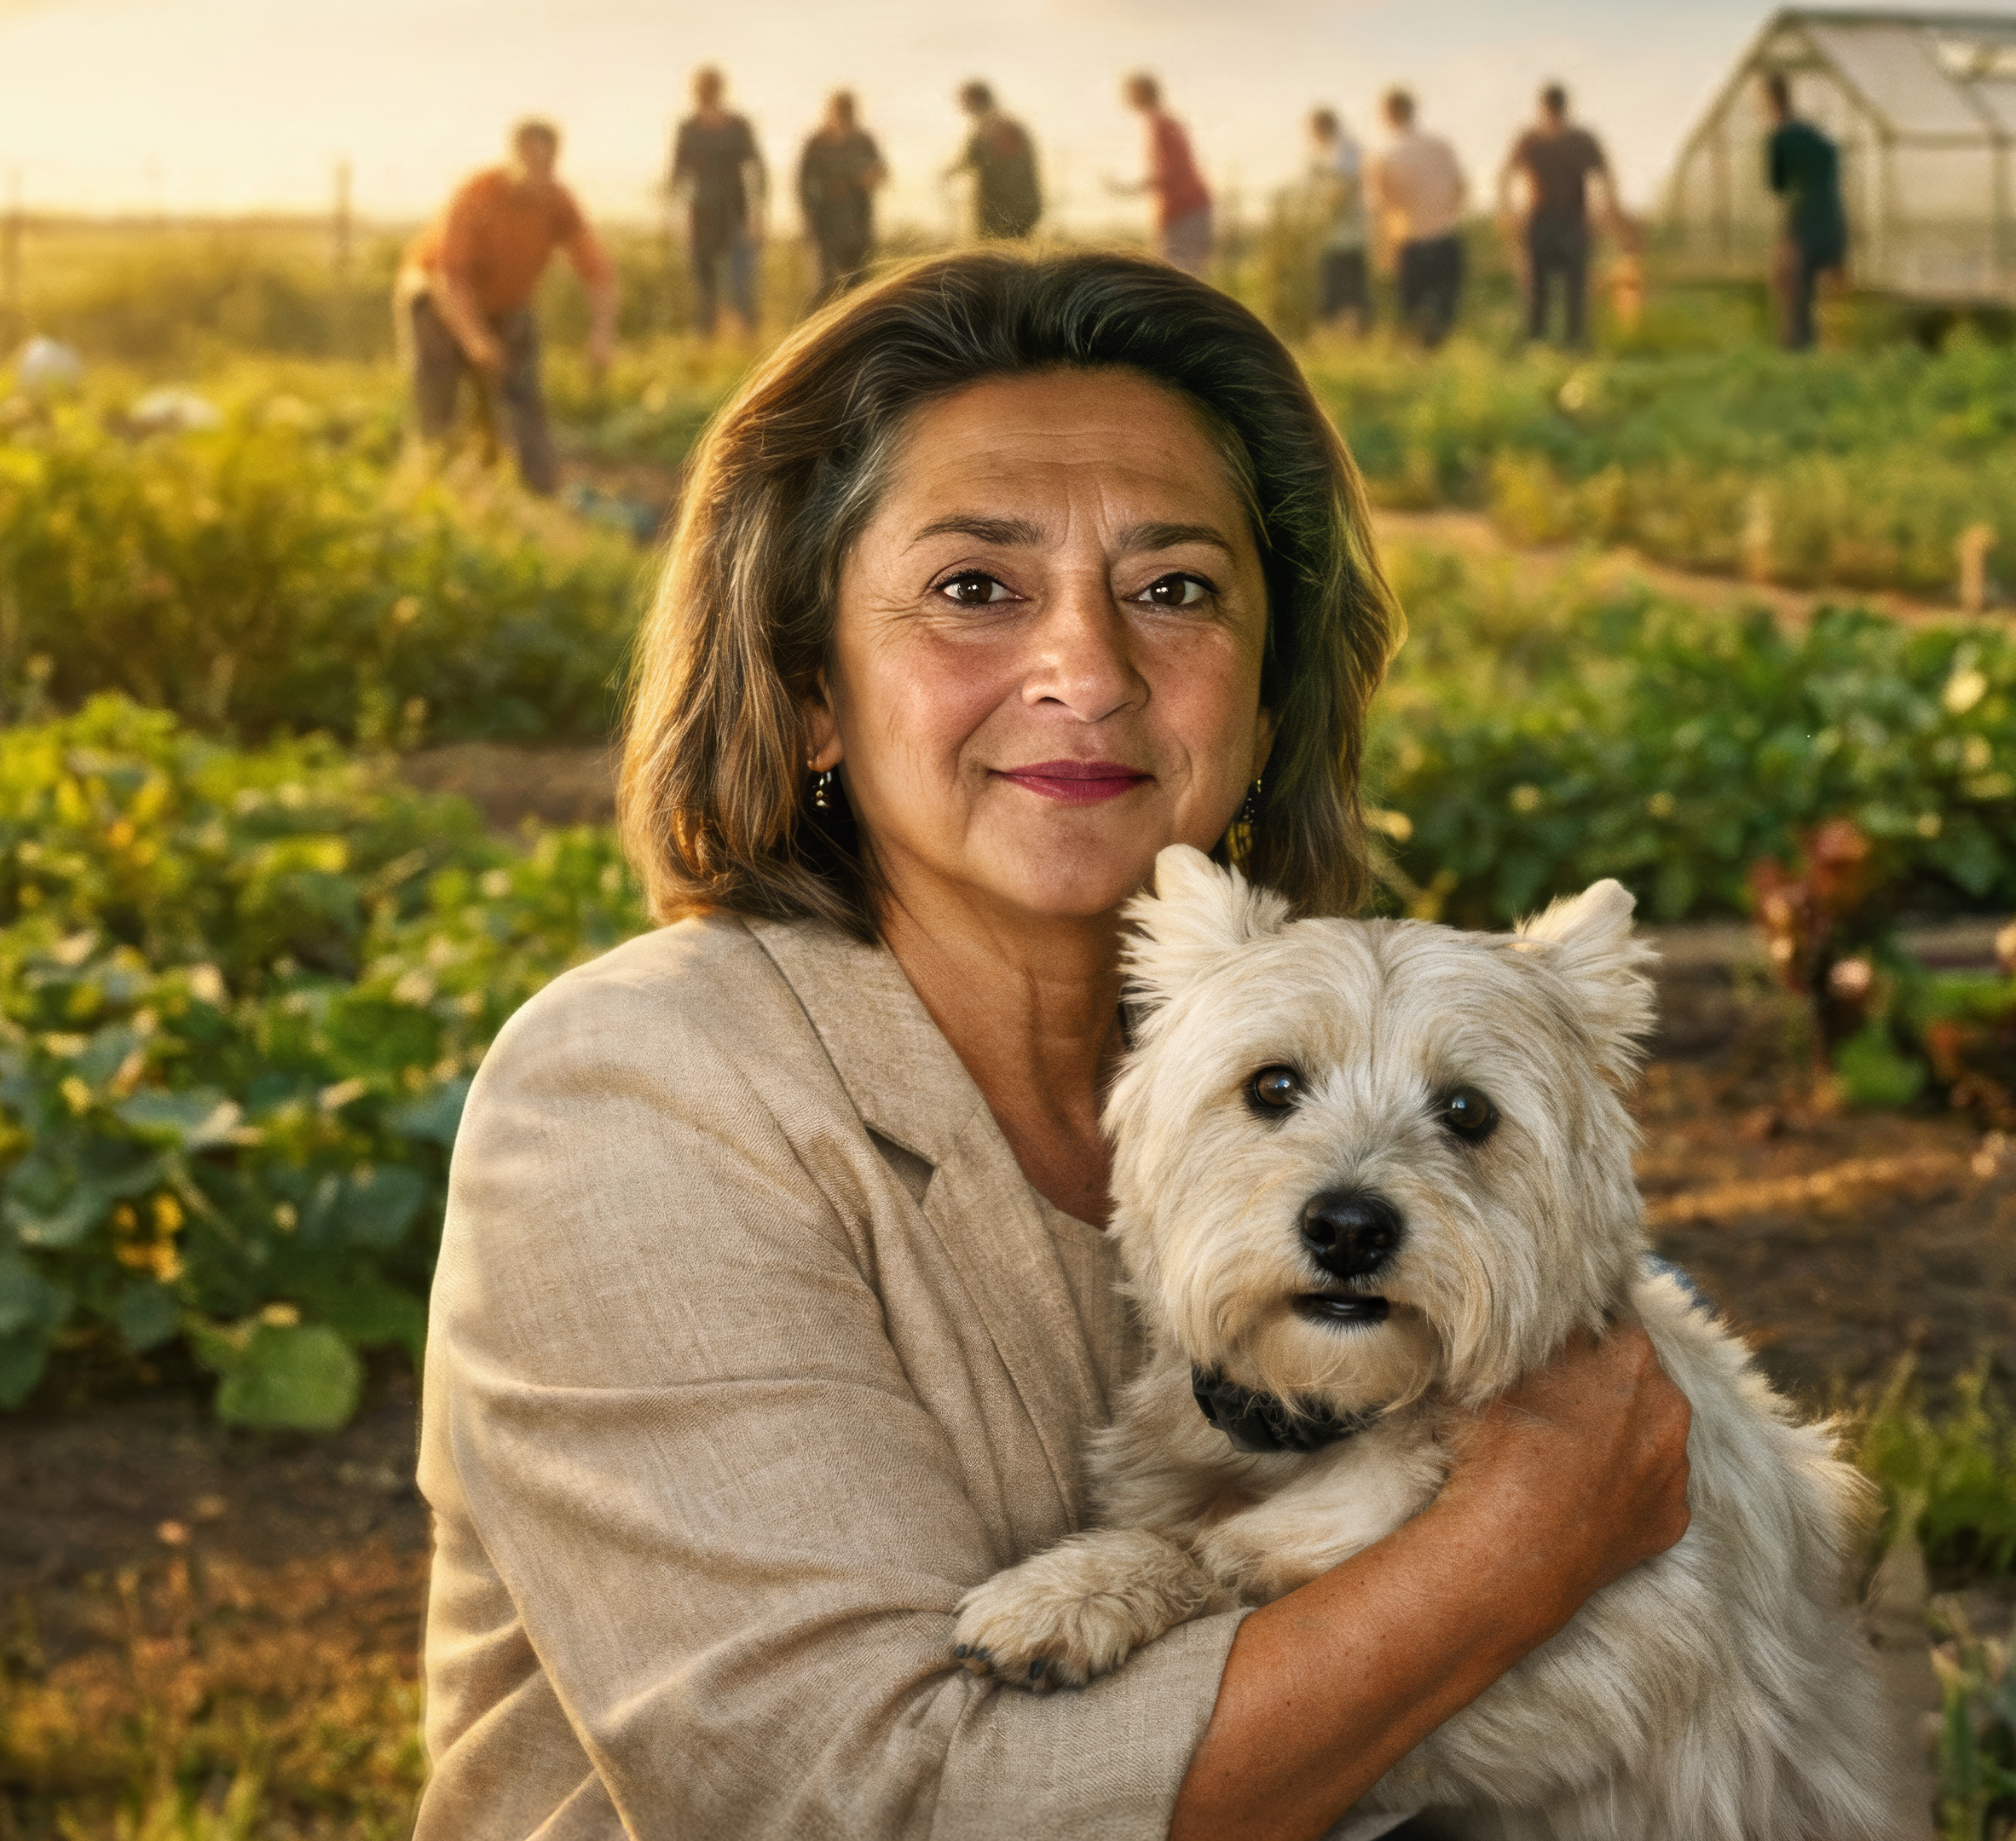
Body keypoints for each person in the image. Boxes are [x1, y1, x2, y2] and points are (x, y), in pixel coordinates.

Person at [413, 248, 1697, 1839]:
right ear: (811, 689)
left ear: (1268, 702)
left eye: (1175, 590)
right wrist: (1521, 1542)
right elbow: (869, 1806)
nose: (1087, 673)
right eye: (974, 588)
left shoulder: (1317, 1062)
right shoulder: (633, 1101)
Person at [399, 118, 617, 496]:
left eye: (547, 163)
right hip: (436, 298)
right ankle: (434, 486)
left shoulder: (558, 202)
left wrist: (602, 334)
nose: (538, 172)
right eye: (530, 160)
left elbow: (599, 273)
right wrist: (476, 340)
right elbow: (451, 278)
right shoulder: (477, 195)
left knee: (524, 393)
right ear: (513, 158)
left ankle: (540, 487)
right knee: (439, 400)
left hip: (507, 305)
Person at [1496, 82, 1619, 350]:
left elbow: (1606, 177)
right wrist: (1508, 213)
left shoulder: (1581, 140)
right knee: (1536, 285)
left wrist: (1605, 213)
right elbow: (1505, 177)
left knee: (1575, 286)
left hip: (1572, 220)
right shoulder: (1530, 140)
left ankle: (1575, 342)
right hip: (1540, 219)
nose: (1551, 116)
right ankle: (1535, 339)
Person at [672, 65, 766, 339]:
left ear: (719, 91)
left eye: (709, 89)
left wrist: (757, 213)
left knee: (741, 279)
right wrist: (680, 216)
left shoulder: (738, 126)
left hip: (735, 210)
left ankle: (747, 338)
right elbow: (677, 175)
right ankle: (705, 339)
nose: (705, 95)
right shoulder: (688, 129)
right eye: (701, 90)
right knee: (704, 280)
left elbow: (757, 168)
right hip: (700, 212)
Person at [1369, 88, 1469, 349]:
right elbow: (1461, 187)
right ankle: (1437, 352)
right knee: (1443, 309)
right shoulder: (1440, 146)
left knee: (1414, 314)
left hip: (1409, 240)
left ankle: (1420, 354)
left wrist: (1384, 249)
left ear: (1389, 114)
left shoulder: (1383, 156)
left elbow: (1383, 206)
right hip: (1445, 236)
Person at [1762, 72, 1847, 353]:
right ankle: (1816, 345)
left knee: (1790, 284)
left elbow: (1779, 188)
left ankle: (1798, 346)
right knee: (1817, 288)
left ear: (1768, 100)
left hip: (1805, 222)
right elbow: (1832, 157)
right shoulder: (1812, 134)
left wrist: (1788, 232)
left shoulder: (1780, 138)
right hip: (1832, 219)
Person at [798, 89, 887, 307]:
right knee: (823, 285)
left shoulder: (864, 141)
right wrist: (807, 216)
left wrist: (864, 179)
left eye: (846, 111)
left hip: (857, 219)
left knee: (858, 283)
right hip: (824, 220)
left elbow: (881, 173)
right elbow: (801, 183)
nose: (842, 116)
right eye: (838, 111)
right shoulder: (816, 142)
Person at [1120, 72, 1215, 276]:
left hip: (1184, 212)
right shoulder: (1165, 122)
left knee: (1172, 280)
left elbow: (1170, 173)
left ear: (1142, 93)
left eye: (1131, 92)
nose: (1126, 97)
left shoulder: (1159, 124)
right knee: (1184, 279)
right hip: (1192, 211)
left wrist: (1129, 189)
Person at [1306, 107, 1371, 334]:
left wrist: (1326, 215)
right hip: (1338, 231)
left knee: (1346, 282)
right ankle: (1347, 330)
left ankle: (1354, 330)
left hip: (1345, 230)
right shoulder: (1329, 150)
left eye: (1314, 129)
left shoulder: (1344, 149)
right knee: (1340, 281)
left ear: (1324, 127)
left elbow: (1345, 187)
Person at [952, 80, 1044, 241]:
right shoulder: (1007, 125)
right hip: (1020, 204)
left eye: (966, 101)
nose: (963, 107)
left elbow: (972, 159)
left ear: (976, 101)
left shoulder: (992, 127)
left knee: (995, 247)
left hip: (1002, 206)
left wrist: (947, 173)